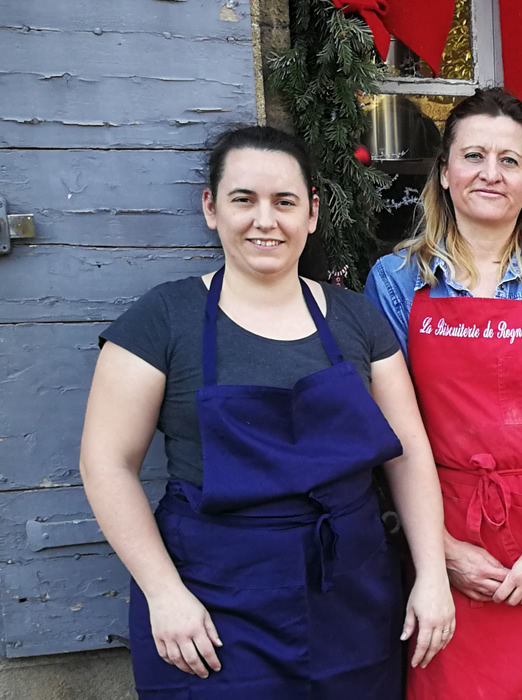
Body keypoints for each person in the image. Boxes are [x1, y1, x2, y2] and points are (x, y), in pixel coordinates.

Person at [79, 126, 455, 697]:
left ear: (311, 212)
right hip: (210, 603)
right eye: (243, 199)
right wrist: (163, 592)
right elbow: (106, 463)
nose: (265, 220)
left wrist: (431, 575)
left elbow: (408, 454)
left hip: (351, 593)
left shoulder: (357, 320)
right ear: (211, 208)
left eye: (284, 201)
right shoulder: (163, 318)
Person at [363, 87, 522, 699]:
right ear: (446, 173)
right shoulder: (397, 282)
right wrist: (439, 551)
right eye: (473, 156)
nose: (491, 173)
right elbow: (387, 436)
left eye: (511, 160)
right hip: (444, 535)